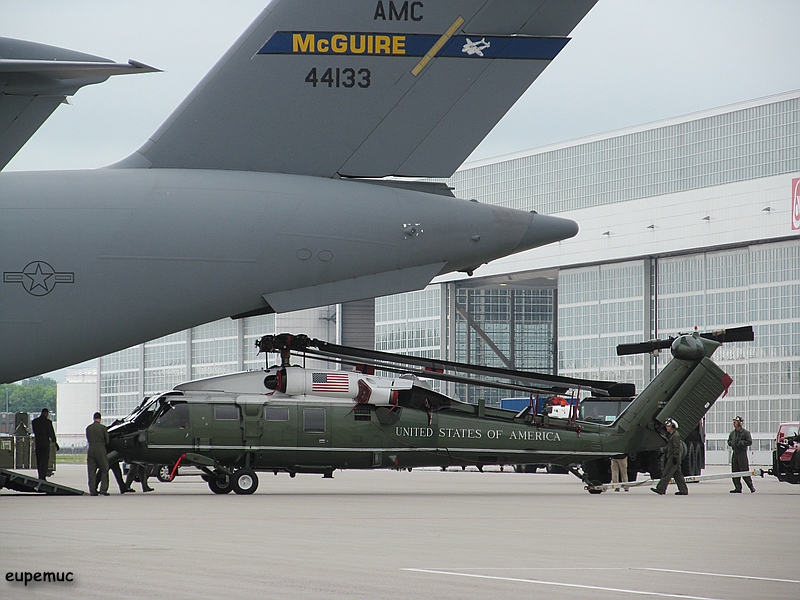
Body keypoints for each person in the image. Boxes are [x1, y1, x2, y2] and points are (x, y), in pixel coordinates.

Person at [651, 418, 689, 496]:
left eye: (668, 426)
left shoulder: (675, 436)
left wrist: (675, 456)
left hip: (673, 457)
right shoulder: (673, 435)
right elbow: (669, 447)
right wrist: (661, 450)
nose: (666, 428)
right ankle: (683, 490)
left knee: (667, 473)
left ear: (672, 426)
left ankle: (661, 489)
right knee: (678, 475)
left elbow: (676, 447)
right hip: (674, 457)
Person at [728, 415, 755, 493]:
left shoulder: (745, 433)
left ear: (739, 423)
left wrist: (741, 443)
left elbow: (749, 442)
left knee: (744, 471)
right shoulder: (732, 433)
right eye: (733, 422)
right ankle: (738, 488)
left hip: (742, 453)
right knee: (735, 471)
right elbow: (729, 441)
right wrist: (731, 443)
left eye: (735, 422)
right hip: (735, 453)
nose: (734, 424)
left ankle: (751, 487)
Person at [86, 412, 110, 496]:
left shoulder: (88, 428)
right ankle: (103, 489)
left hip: (91, 449)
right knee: (104, 469)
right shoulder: (103, 428)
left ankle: (92, 490)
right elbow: (107, 440)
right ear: (100, 418)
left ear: (93, 418)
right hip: (100, 449)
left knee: (91, 471)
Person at [31, 408, 58, 480]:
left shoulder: (34, 422)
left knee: (39, 459)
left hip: (38, 443)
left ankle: (40, 474)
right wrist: (55, 442)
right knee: (45, 460)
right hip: (45, 443)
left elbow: (34, 431)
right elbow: (51, 433)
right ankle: (43, 476)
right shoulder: (48, 422)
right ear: (47, 413)